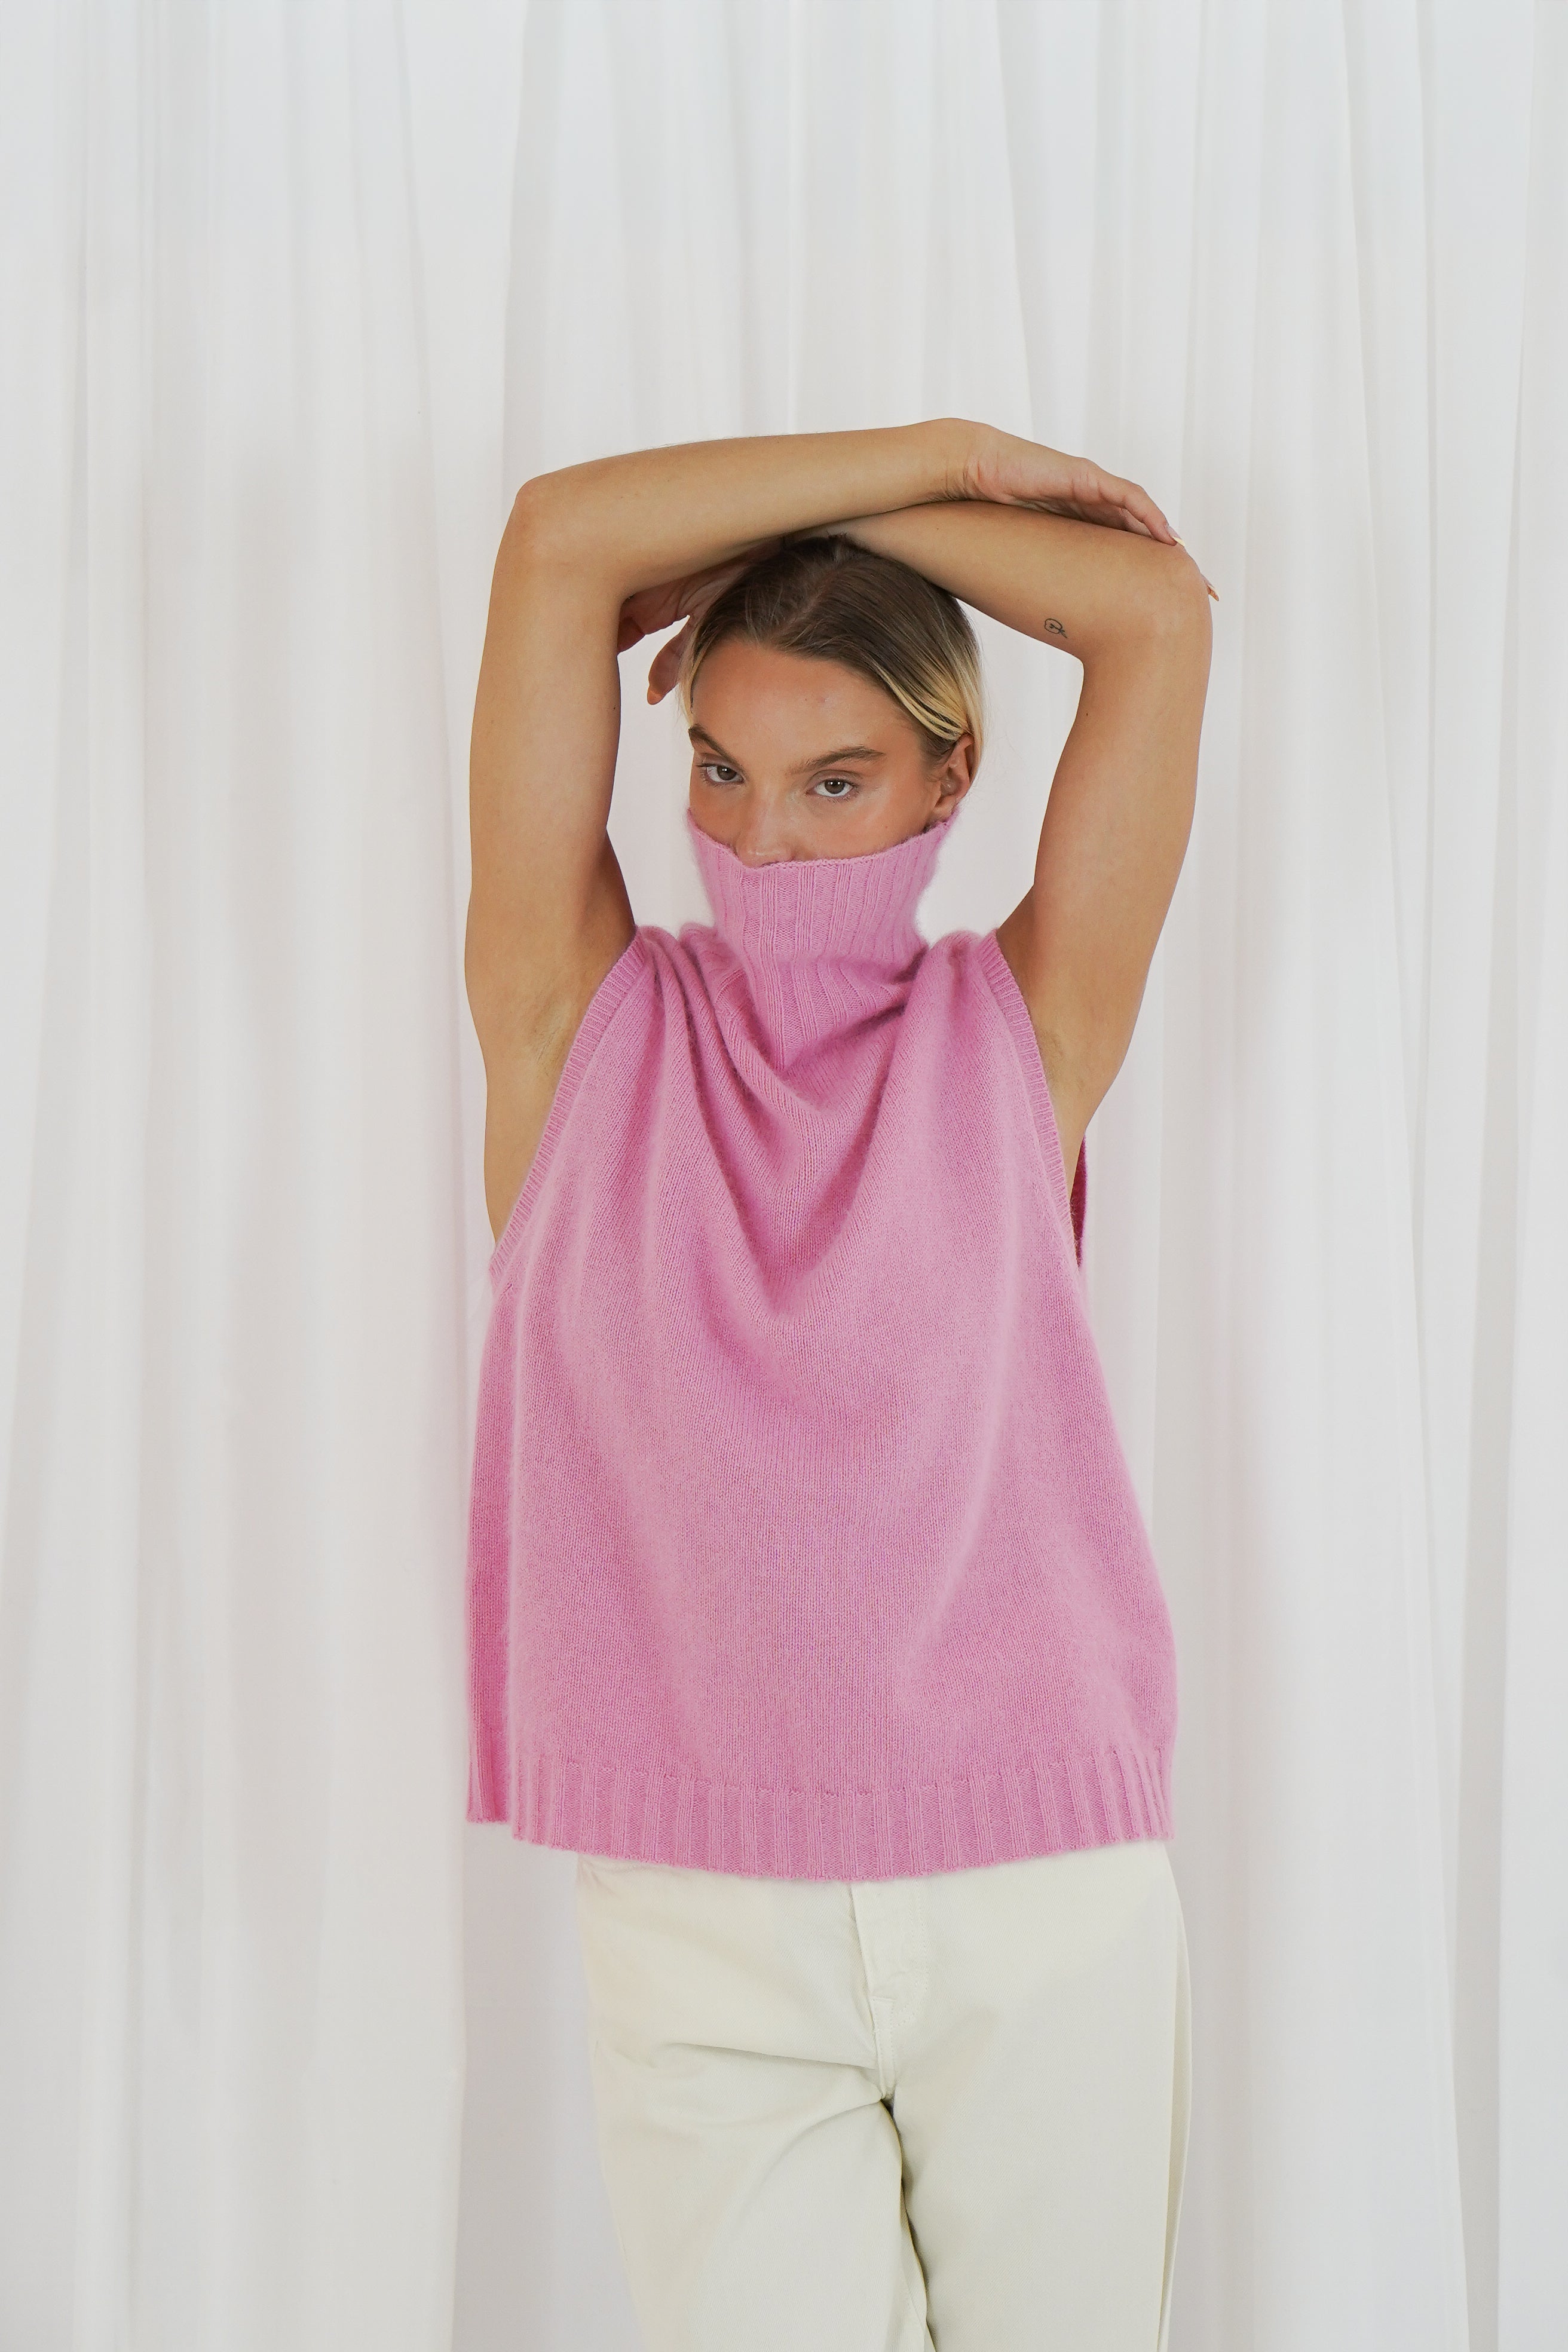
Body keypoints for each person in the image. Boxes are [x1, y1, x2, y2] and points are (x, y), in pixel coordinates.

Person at [462, 419, 1214, 2352]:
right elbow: (556, 541)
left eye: (835, 779)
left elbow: (1151, 615)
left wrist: (832, 520)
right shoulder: (576, 1028)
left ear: (952, 776)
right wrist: (935, 453)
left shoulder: (1022, 1031)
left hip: (1039, 1896)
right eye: (719, 769)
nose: (762, 840)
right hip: (705, 1924)